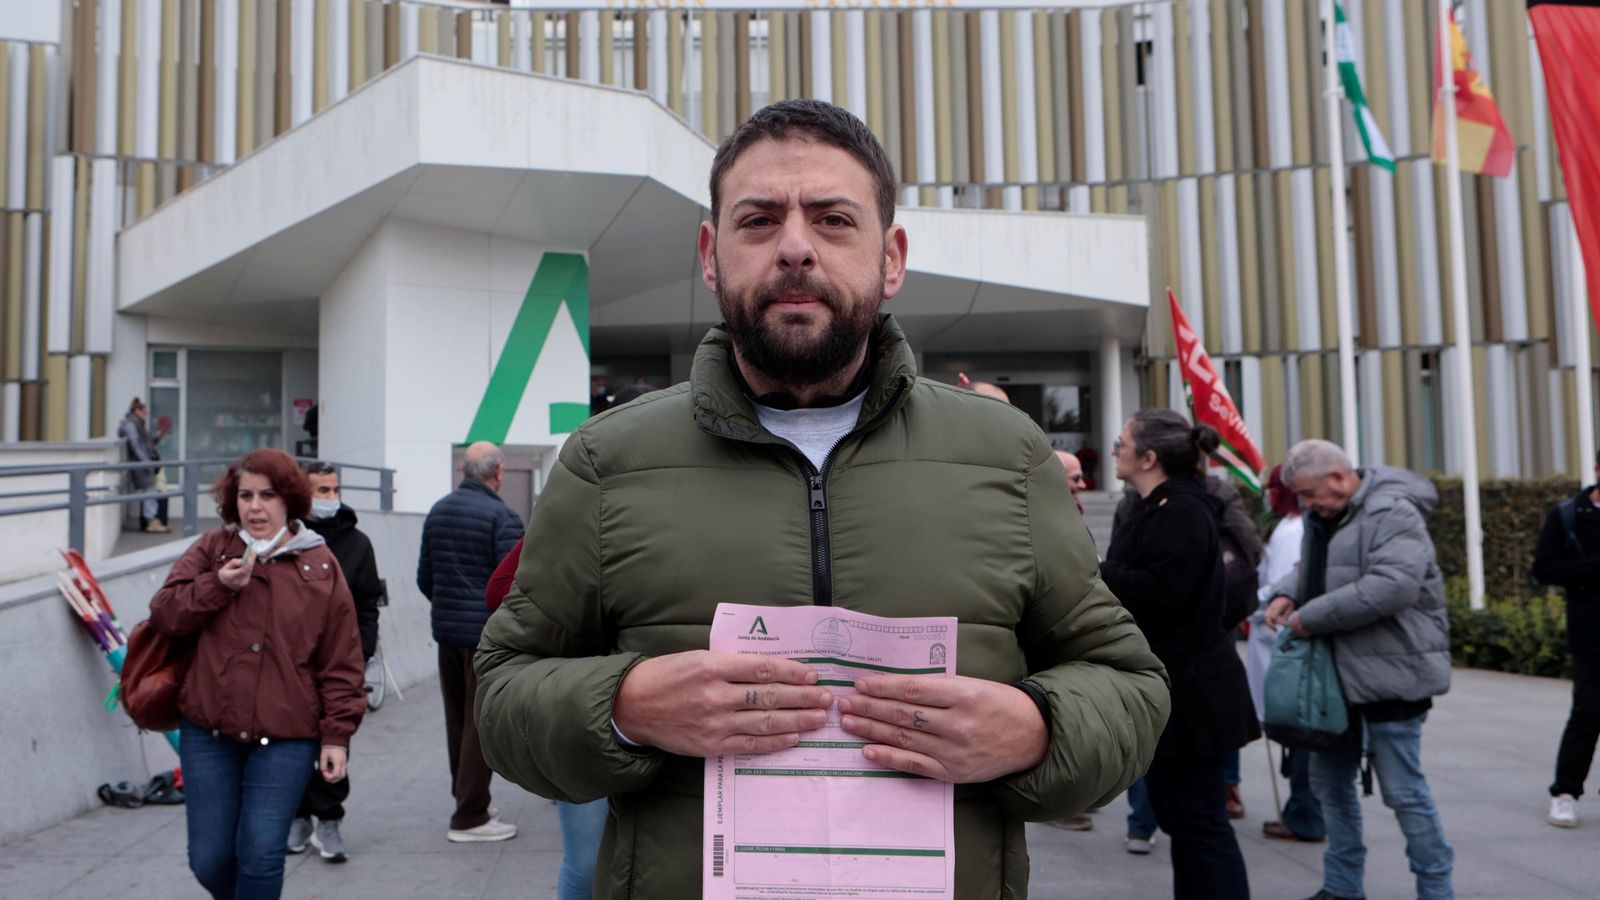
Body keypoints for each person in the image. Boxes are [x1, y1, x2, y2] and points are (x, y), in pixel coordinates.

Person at [473, 99, 1170, 899]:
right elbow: (501, 695)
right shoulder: (608, 459)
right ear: (710, 253)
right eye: (759, 220)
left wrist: (1038, 729)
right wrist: (624, 706)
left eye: (834, 220)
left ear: (892, 256)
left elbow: (1131, 688)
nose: (795, 248)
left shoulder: (1006, 456)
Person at [148, 449, 365, 900]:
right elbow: (164, 614)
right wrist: (215, 586)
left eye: (267, 495)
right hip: (208, 731)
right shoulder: (213, 549)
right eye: (245, 495)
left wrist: (336, 736)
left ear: (289, 500)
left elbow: (341, 661)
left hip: (286, 736)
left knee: (262, 852)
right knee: (209, 858)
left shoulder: (321, 566)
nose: (255, 506)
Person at [1264, 439, 1453, 900]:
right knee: (1331, 787)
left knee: (1404, 792)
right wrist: (1288, 591)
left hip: (1394, 674)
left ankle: (1436, 890)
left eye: (1310, 494)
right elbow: (1320, 568)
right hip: (1337, 678)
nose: (1306, 505)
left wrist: (1311, 616)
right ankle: (1342, 887)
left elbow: (1392, 586)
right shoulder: (1325, 512)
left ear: (1338, 477)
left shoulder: (1394, 512)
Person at [1098, 409, 1257, 899]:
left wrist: (1097, 571)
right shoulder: (1159, 504)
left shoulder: (1181, 509)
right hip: (1177, 691)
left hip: (1195, 696)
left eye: (1122, 442)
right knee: (1182, 819)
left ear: (1149, 457)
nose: (1114, 450)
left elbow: (1164, 591)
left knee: (1200, 824)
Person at [486, 538, 608, 900]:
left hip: (670, 710)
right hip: (586, 709)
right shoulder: (584, 504)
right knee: (586, 864)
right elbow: (497, 593)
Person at [417, 442, 524, 843]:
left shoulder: (438, 511)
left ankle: (465, 798)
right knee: (479, 727)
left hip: (447, 633)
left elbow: (425, 577)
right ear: (497, 472)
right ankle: (470, 816)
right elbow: (511, 587)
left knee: (457, 723)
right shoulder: (502, 516)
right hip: (485, 637)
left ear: (464, 470)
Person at [285, 461, 386, 863]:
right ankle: (297, 816)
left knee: (334, 740)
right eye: (321, 490)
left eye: (333, 489)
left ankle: (328, 819)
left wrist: (361, 653)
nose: (329, 498)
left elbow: (367, 605)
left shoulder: (357, 544)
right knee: (291, 742)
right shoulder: (287, 540)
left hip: (339, 662)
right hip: (291, 665)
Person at [1252, 464, 1326, 844]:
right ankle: (1304, 811)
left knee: (1299, 733)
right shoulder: (1295, 526)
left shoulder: (1294, 529)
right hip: (1284, 639)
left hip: (1285, 642)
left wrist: (1263, 603)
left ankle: (1305, 813)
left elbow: (1281, 586)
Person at [1530, 450, 1600, 829]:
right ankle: (1565, 794)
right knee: (1588, 714)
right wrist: (1592, 568)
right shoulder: (1569, 515)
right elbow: (1543, 567)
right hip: (1592, 631)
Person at [119, 398, 170, 533]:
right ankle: (151, 520)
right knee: (150, 491)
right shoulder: (132, 425)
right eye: (144, 412)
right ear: (137, 411)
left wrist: (157, 437)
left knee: (151, 491)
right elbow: (136, 446)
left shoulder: (137, 424)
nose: (146, 414)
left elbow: (145, 444)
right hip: (142, 465)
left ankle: (152, 520)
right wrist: (146, 462)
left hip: (145, 463)